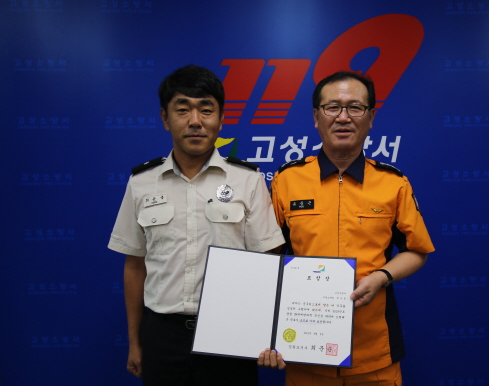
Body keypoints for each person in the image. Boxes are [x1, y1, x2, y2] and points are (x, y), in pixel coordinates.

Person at [108, 64, 285, 386]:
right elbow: (134, 265)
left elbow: (268, 261)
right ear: (165, 119)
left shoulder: (247, 180)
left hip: (230, 332)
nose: (195, 121)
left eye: (206, 110)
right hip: (162, 334)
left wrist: (268, 334)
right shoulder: (142, 183)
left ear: (221, 119)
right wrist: (135, 341)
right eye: (183, 110)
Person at [262, 71, 435, 385]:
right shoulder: (287, 181)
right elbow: (268, 258)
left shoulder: (393, 183)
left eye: (355, 108)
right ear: (316, 117)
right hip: (305, 350)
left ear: (371, 118)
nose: (343, 117)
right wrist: (265, 332)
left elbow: (417, 250)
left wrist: (381, 277)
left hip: (373, 353)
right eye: (332, 107)